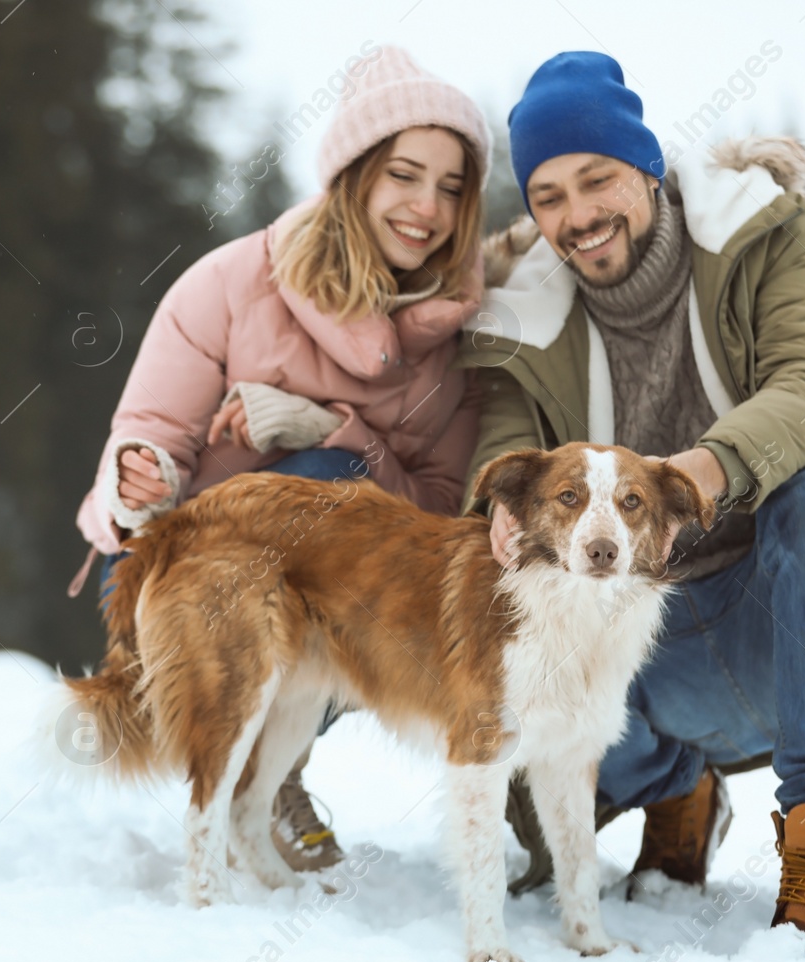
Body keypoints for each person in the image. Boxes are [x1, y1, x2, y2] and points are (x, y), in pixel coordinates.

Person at [456, 52, 805, 958]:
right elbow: (501, 445)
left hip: (771, 617)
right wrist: (496, 511)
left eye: (597, 180)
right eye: (547, 196)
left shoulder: (763, 234)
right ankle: (676, 793)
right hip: (623, 636)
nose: (576, 216)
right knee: (524, 748)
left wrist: (708, 467)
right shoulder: (523, 318)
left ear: (647, 168)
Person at [69, 45, 490, 873]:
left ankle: (270, 774)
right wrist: (139, 470)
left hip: (345, 605)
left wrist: (324, 428)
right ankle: (229, 766)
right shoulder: (229, 283)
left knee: (345, 505)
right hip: (186, 579)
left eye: (451, 186)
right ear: (355, 174)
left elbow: (439, 518)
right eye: (405, 174)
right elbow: (148, 429)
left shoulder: (461, 342)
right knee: (316, 514)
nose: (427, 207)